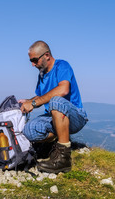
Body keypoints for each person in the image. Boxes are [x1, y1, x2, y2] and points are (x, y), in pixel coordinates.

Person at [20, 40, 88, 173]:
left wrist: (34, 103)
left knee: (56, 101)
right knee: (28, 131)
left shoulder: (62, 66)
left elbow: (63, 90)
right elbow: (40, 97)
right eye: (31, 61)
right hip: (53, 116)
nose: (33, 65)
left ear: (46, 55)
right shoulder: (42, 74)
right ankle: (54, 144)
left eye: (34, 60)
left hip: (75, 117)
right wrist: (28, 101)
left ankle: (63, 159)